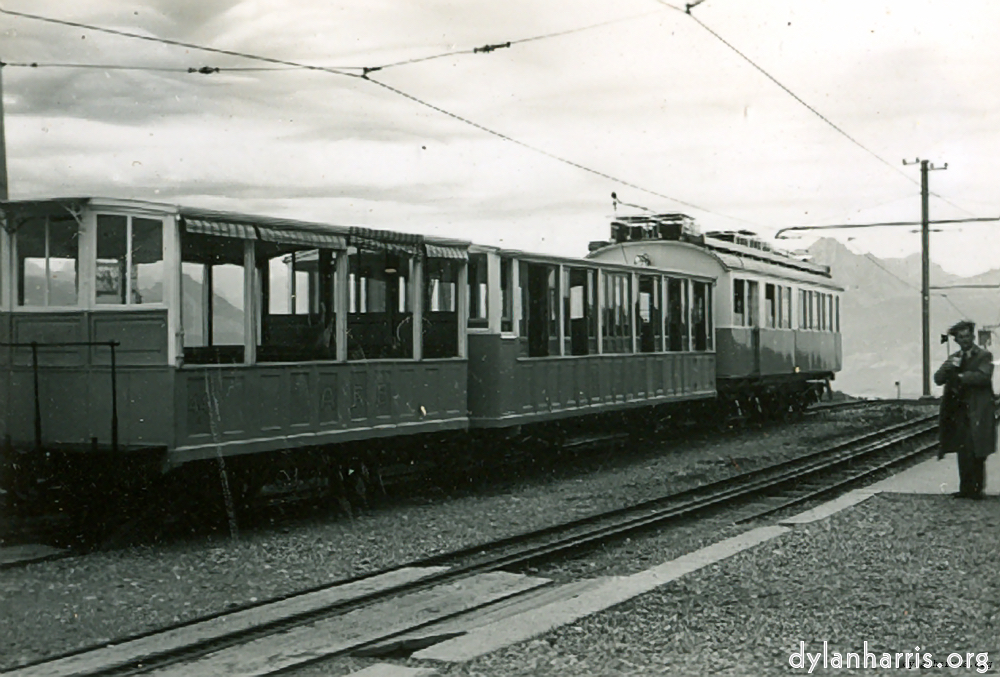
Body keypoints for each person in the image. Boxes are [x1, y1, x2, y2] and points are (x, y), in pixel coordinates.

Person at [933, 320, 996, 498]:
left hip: (978, 410)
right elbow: (937, 379)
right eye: (961, 337)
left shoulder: (984, 355)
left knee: (977, 450)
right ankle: (965, 488)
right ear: (957, 340)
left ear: (973, 336)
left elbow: (983, 376)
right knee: (963, 449)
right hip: (959, 411)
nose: (965, 340)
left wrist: (960, 376)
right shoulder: (954, 358)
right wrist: (948, 368)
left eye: (967, 336)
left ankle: (977, 489)